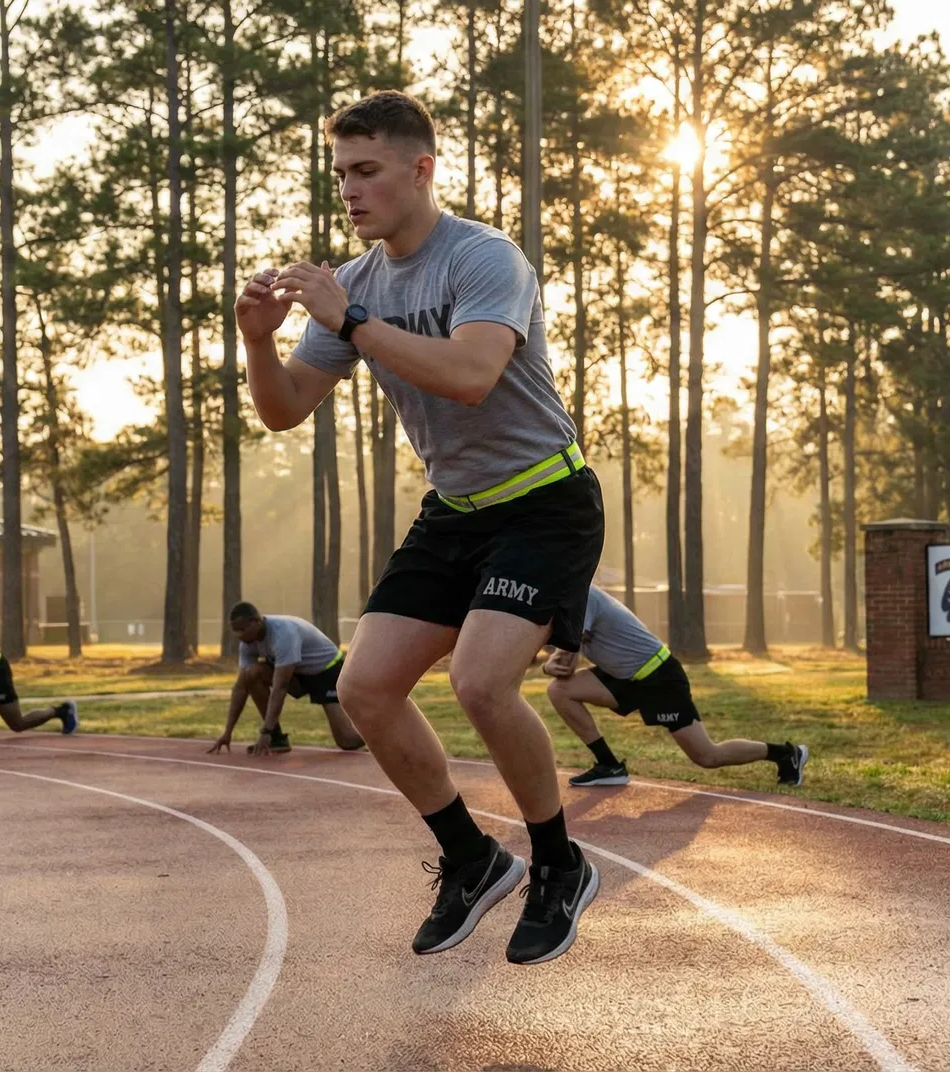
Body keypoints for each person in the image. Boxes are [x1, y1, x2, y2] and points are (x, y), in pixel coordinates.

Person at [238, 90, 602, 965]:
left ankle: (558, 864)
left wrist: (352, 322)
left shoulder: (484, 258)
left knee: (481, 683)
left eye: (367, 172)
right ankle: (473, 858)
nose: (350, 192)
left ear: (420, 168)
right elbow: (285, 409)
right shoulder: (356, 285)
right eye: (340, 176)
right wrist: (257, 340)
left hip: (544, 500)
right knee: (365, 691)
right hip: (455, 512)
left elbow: (474, 373)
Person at [544, 587, 809, 787]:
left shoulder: (580, 594)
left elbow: (565, 660)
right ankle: (609, 765)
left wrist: (553, 661)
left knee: (707, 756)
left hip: (659, 676)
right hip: (621, 676)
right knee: (559, 690)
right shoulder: (562, 598)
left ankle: (786, 753)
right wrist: (548, 666)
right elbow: (558, 658)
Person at [211, 602, 365, 756]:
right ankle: (277, 739)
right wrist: (227, 732)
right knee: (251, 675)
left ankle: (381, 729)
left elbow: (280, 687)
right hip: (299, 674)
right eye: (235, 630)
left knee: (348, 741)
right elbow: (241, 687)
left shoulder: (283, 634)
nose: (239, 635)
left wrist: (265, 730)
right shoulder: (247, 643)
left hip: (326, 670)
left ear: (257, 622)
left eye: (242, 629)